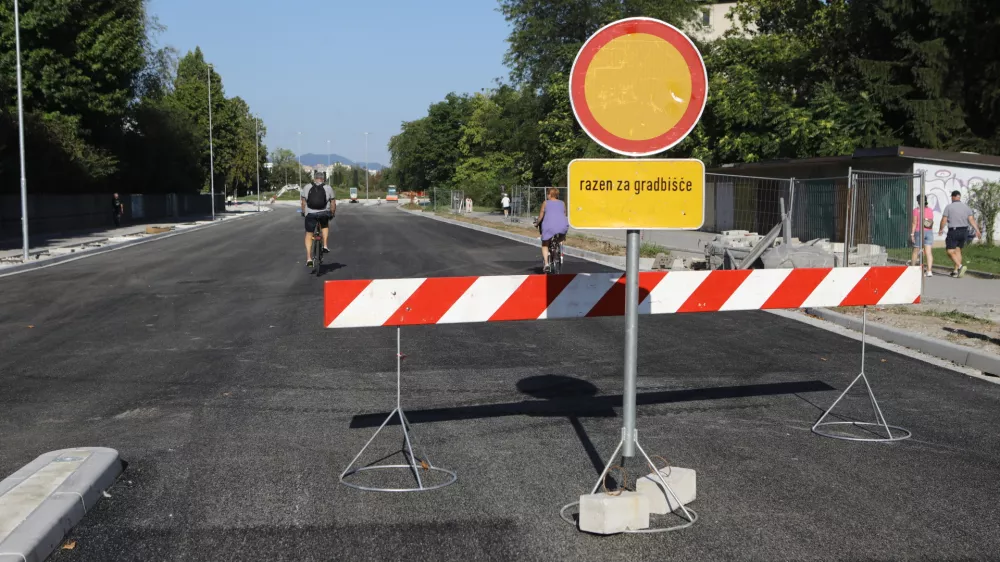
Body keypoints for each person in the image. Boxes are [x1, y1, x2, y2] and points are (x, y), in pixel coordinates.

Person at [938, 190, 982, 278]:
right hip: (964, 231)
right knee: (958, 250)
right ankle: (955, 271)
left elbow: (944, 220)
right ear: (959, 197)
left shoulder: (949, 207)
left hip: (954, 231)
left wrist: (941, 229)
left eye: (951, 197)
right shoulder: (966, 207)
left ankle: (960, 266)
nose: (951, 198)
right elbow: (971, 220)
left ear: (953, 197)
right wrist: (977, 230)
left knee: (950, 251)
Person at [300, 170, 336, 269]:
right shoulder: (328, 187)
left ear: (314, 178)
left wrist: (304, 212)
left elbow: (303, 203)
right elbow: (333, 203)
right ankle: (325, 245)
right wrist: (332, 213)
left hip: (310, 214)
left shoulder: (307, 187)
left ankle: (309, 258)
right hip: (324, 213)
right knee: (324, 225)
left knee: (309, 234)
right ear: (323, 179)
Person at [535, 188, 569, 272]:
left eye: (547, 194)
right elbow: (564, 214)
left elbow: (541, 216)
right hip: (562, 226)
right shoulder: (562, 203)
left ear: (550, 194)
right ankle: (557, 244)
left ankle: (546, 264)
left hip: (549, 227)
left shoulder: (545, 203)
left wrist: (536, 223)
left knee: (545, 244)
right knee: (562, 235)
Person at [910, 195, 934, 277]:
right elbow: (930, 222)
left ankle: (912, 269)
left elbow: (914, 223)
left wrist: (912, 234)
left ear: (918, 201)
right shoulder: (930, 210)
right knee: (928, 252)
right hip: (929, 232)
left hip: (919, 232)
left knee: (915, 250)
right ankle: (929, 271)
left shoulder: (916, 210)